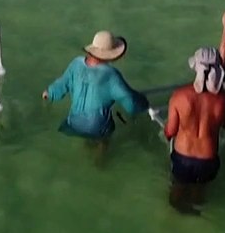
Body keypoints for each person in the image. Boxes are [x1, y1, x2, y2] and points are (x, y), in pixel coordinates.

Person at [43, 31, 148, 161]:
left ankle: (85, 149)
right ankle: (100, 159)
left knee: (85, 130)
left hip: (73, 123)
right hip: (98, 128)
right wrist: (144, 103)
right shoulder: (111, 75)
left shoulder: (76, 64)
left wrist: (49, 92)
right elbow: (130, 103)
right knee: (104, 138)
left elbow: (62, 84)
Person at [164, 47, 225, 214]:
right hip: (208, 158)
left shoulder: (179, 96)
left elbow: (171, 131)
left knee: (176, 192)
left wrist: (166, 133)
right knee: (199, 192)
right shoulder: (224, 100)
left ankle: (178, 215)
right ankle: (195, 213)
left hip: (183, 157)